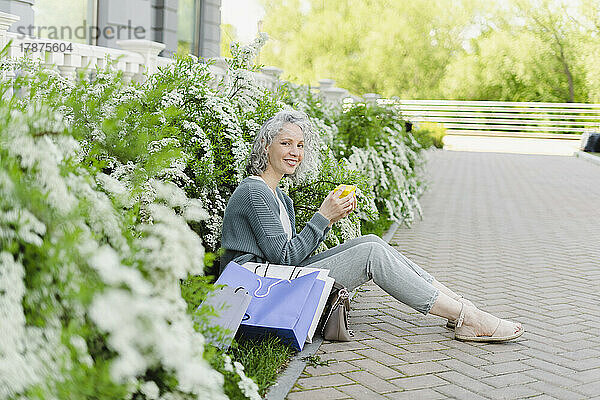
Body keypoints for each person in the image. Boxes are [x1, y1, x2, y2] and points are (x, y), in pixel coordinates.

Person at [221, 109, 523, 342]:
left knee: (373, 242)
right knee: (371, 256)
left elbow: (289, 258)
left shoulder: (279, 197)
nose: (295, 152)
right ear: (265, 145)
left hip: (276, 283)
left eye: (300, 145)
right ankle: (466, 318)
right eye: (285, 143)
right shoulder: (255, 191)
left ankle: (458, 305)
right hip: (258, 296)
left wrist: (329, 218)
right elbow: (284, 259)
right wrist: (323, 217)